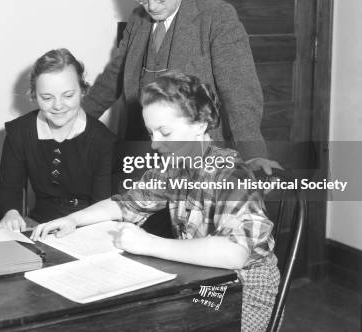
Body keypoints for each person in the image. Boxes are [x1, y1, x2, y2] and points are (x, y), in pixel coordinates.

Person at [33, 71, 279, 332]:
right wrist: (73, 219)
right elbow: (126, 204)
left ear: (200, 124)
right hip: (201, 277)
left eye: (165, 131)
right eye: (151, 132)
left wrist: (147, 243)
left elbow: (233, 253)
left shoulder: (232, 175)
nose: (154, 143)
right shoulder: (174, 168)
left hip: (242, 289)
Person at [83, 0, 279, 175]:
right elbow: (113, 77)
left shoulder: (216, 17)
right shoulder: (137, 19)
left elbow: (240, 91)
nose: (151, 6)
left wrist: (252, 153)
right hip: (143, 157)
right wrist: (75, 121)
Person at [0, 48, 116, 231]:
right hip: (38, 224)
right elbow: (8, 189)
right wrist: (11, 212)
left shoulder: (103, 140)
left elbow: (103, 204)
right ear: (34, 95)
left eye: (68, 95)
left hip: (87, 226)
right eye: (47, 97)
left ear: (83, 91)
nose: (58, 106)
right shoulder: (19, 132)